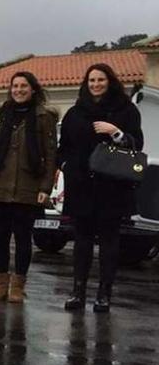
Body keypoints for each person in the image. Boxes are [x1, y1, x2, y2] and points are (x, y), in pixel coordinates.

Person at [58, 63, 143, 312]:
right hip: (81, 185)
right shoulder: (75, 112)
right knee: (81, 240)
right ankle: (78, 292)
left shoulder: (126, 110)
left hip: (112, 187)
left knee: (109, 241)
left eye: (100, 80)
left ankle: (104, 294)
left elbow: (137, 144)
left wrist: (116, 133)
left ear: (110, 81)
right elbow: (63, 148)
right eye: (92, 80)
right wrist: (65, 165)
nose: (96, 85)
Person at [0, 72, 57, 303]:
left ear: (33, 89)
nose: (19, 90)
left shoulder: (44, 117)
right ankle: (1, 284)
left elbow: (51, 155)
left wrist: (45, 187)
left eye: (24, 86)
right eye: (15, 86)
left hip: (28, 188)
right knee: (0, 238)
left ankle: (18, 286)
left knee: (23, 238)